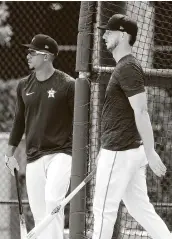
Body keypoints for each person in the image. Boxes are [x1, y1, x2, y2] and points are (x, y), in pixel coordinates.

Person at [92, 14, 171, 239]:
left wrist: (150, 151)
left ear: (124, 35)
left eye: (109, 31)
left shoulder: (127, 67)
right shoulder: (125, 66)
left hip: (120, 152)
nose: (104, 35)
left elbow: (141, 110)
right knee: (140, 209)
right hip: (125, 152)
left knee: (102, 212)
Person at [5, 34, 75, 239]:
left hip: (62, 153)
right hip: (34, 155)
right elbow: (19, 122)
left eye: (32, 52)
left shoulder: (68, 85)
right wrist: (9, 154)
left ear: (46, 56)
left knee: (53, 201)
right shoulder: (23, 86)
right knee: (39, 214)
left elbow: (80, 124)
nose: (28, 56)